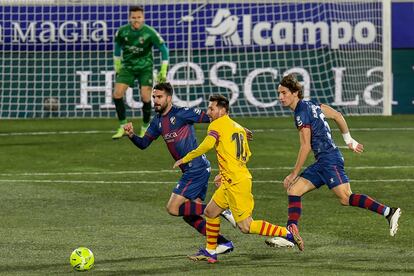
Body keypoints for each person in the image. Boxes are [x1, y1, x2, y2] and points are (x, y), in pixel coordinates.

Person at [266, 74, 401, 248]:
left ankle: (389, 212)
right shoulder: (312, 104)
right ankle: (291, 234)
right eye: (279, 93)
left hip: (329, 160)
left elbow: (305, 146)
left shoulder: (301, 112)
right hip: (323, 161)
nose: (280, 97)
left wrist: (293, 173)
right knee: (294, 190)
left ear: (295, 93)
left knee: (346, 198)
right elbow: (337, 115)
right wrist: (349, 141)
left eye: (284, 93)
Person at [173, 94, 304, 264]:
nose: (208, 111)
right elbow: (245, 155)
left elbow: (207, 145)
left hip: (236, 183)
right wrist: (224, 172)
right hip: (232, 180)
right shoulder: (237, 127)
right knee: (210, 212)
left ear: (222, 110)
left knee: (246, 226)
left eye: (212, 108)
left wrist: (186, 158)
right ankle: (210, 251)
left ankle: (287, 234)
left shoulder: (217, 124)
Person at [123, 82, 236, 255]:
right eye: (154, 97)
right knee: (190, 214)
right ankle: (222, 243)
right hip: (195, 169)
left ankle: (221, 209)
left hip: (195, 168)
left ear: (169, 98)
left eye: (159, 97)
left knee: (173, 208)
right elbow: (144, 144)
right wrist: (131, 135)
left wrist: (237, 129)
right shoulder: (157, 122)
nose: (155, 100)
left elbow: (214, 117)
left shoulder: (183, 113)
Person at [112, 6, 169, 139]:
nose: (136, 20)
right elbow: (117, 49)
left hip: (145, 68)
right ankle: (122, 127)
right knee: (117, 94)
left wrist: (163, 69)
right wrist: (117, 65)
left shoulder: (149, 32)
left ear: (143, 18)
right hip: (128, 67)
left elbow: (164, 50)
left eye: (139, 17)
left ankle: (145, 127)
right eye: (133, 17)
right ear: (129, 18)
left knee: (145, 97)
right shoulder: (122, 31)